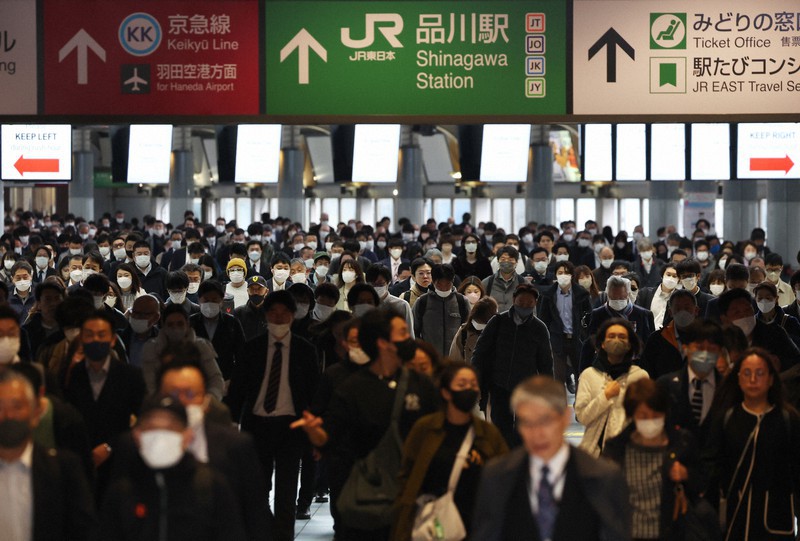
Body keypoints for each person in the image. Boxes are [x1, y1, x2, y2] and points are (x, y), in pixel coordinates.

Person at [291, 309, 439, 540]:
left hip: (413, 487)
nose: (409, 338)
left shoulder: (420, 385)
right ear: (383, 343)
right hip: (365, 489)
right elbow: (330, 437)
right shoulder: (353, 387)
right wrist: (314, 432)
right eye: (402, 333)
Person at [471, 375, 631, 540]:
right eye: (527, 422)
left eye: (545, 420)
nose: (537, 433)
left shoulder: (604, 478)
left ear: (565, 418)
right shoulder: (497, 477)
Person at [226, 290, 320, 541]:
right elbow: (237, 390)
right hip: (256, 426)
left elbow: (314, 394)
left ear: (292, 316)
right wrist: (230, 424)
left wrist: (315, 433)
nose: (279, 318)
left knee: (286, 494)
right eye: (273, 313)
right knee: (257, 491)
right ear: (266, 315)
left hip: (292, 427)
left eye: (284, 313)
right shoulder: (252, 349)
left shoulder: (305, 350)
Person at [100, 394, 248, 541]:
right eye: (151, 428)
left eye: (170, 428)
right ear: (137, 435)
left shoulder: (213, 486)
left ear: (187, 437)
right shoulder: (122, 491)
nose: (160, 436)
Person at [393, 362, 509, 541]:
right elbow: (407, 475)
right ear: (446, 392)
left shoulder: (488, 434)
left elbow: (505, 477)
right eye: (461, 385)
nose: (468, 389)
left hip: (477, 525)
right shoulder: (425, 429)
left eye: (473, 384)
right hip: (433, 524)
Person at [705, 347, 800, 541]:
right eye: (747, 373)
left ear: (771, 379)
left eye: (760, 373)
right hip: (735, 513)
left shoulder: (788, 419)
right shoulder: (726, 418)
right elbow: (713, 468)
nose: (753, 379)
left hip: (776, 516)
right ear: (738, 378)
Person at [602, 379, 709, 541]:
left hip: (670, 534)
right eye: (643, 416)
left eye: (656, 415)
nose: (650, 421)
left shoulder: (681, 444)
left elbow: (702, 481)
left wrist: (686, 474)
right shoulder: (617, 449)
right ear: (632, 415)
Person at [0, 370, 99, 540]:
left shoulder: (64, 469)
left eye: (17, 406)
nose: (9, 416)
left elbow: (83, 531)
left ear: (35, 414)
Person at [471, 283, 554, 446]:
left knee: (523, 428)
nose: (524, 307)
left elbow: (546, 362)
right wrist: (476, 377)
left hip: (526, 388)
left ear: (535, 304)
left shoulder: (539, 328)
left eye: (529, 304)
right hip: (499, 384)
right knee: (501, 426)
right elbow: (480, 352)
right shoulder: (498, 322)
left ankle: (520, 460)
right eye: (521, 303)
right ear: (514, 299)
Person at [575, 318, 649, 457]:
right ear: (602, 344)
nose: (616, 340)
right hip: (593, 454)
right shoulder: (589, 375)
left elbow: (645, 418)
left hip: (629, 454)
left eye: (622, 337)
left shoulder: (640, 376)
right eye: (611, 336)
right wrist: (605, 397)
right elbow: (582, 417)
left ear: (629, 344)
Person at [657, 319, 726, 449]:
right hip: (673, 463)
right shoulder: (666, 385)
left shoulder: (728, 387)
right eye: (699, 347)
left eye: (711, 349)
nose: (705, 353)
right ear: (685, 348)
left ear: (720, 352)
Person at [538, 260, 592, 393]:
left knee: (582, 375)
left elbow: (589, 317)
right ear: (555, 275)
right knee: (558, 377)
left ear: (572, 275)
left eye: (566, 273)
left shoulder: (581, 294)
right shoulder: (548, 295)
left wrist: (586, 336)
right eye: (560, 273)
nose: (563, 275)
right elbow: (543, 319)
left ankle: (580, 407)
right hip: (557, 339)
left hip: (577, 339)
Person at [718, 288, 800, 371]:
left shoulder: (775, 333)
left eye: (747, 309)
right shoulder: (717, 339)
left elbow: (796, 364)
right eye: (737, 312)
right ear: (724, 319)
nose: (744, 315)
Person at [639, 289, 700, 380]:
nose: (682, 312)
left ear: (696, 310)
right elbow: (647, 372)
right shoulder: (657, 339)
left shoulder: (706, 337)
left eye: (687, 308)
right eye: (678, 309)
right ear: (670, 312)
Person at [413, 264, 469, 357]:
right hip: (430, 358)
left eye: (447, 284)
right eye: (439, 284)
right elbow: (414, 330)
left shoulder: (462, 302)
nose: (443, 288)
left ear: (453, 281)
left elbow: (468, 331)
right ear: (433, 281)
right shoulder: (422, 302)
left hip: (455, 359)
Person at [449, 296, 498, 364]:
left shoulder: (501, 333)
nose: (478, 325)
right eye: (476, 320)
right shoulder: (464, 331)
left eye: (482, 323)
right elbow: (454, 360)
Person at [481, 246, 526, 313]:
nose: (506, 262)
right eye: (503, 259)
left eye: (510, 259)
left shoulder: (524, 283)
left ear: (516, 262)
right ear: (498, 261)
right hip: (493, 322)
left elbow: (531, 308)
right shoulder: (487, 283)